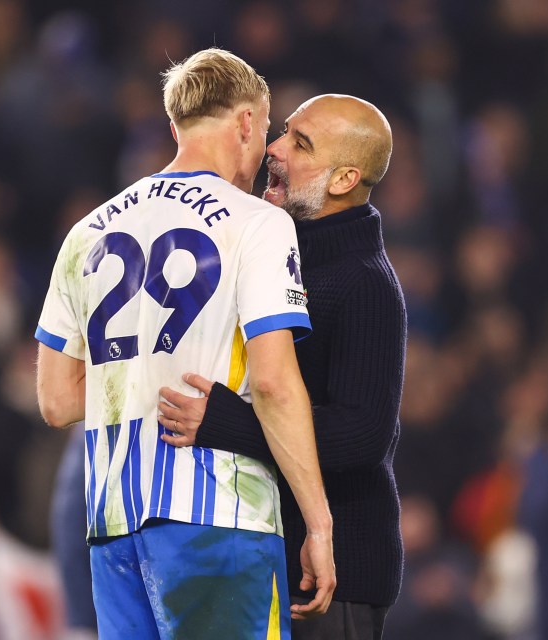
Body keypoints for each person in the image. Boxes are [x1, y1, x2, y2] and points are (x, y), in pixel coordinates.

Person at [34, 48, 335, 639]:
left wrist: (143, 370)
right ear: (247, 122)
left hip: (113, 525)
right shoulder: (257, 223)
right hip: (220, 519)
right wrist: (318, 525)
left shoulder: (86, 232)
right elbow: (273, 383)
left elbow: (56, 401)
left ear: (176, 127)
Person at [157, 94, 406, 640]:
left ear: (343, 179)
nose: (273, 148)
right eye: (284, 131)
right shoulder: (272, 253)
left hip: (334, 577)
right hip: (264, 550)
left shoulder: (365, 282)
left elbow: (363, 434)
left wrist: (227, 423)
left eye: (300, 143)